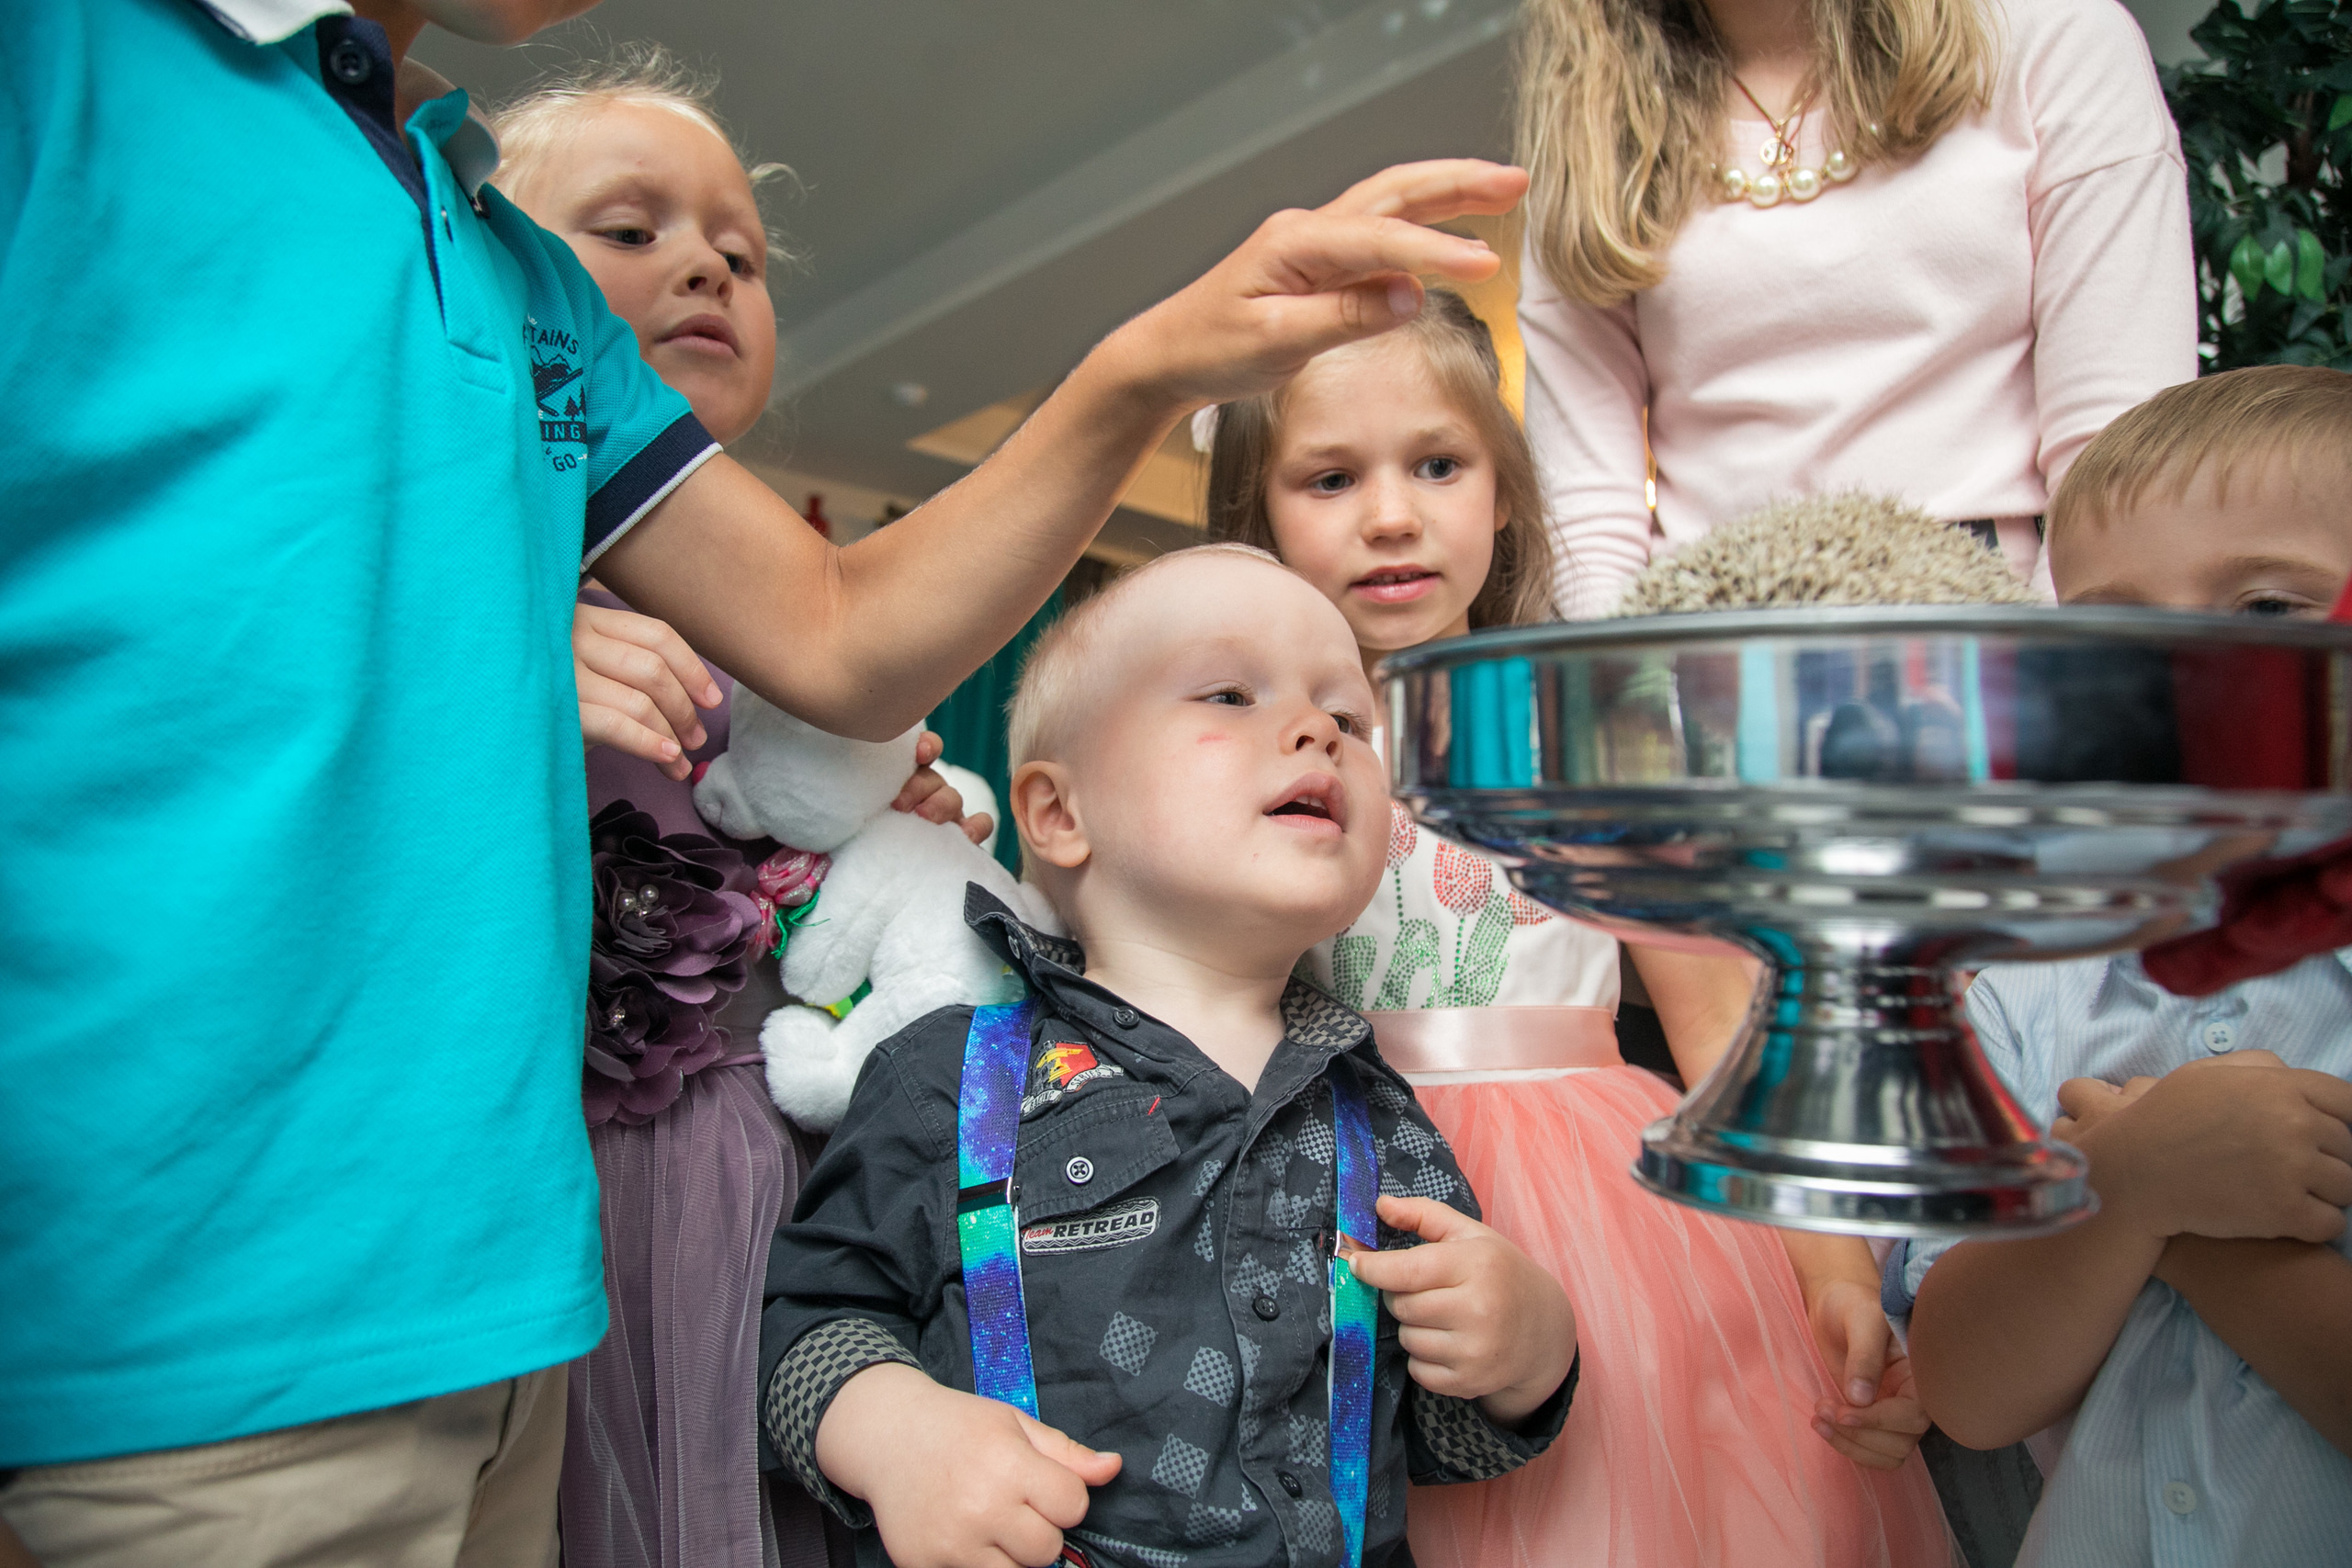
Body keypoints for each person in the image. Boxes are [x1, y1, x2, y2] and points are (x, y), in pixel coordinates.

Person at [0, 1, 1525, 1561]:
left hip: (506, 1291)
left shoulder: (492, 243)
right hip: (180, 1296)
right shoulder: (63, 59)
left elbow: (834, 632)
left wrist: (1149, 364)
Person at [1204, 289, 1948, 1566]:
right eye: (1331, 477)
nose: (1392, 513)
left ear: (1504, 493)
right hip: (1344, 1197)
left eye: (1437, 464)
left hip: (1621, 1216)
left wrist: (1832, 1266)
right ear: (1253, 517)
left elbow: (1723, 1028)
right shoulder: (1238, 758)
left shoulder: (1596, 736)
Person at [756, 547, 1579, 1568]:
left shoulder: (1382, 1114)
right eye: (1230, 693)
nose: (1318, 729)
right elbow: (806, 1325)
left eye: (1351, 721)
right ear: (1060, 814)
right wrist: (892, 1436)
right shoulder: (947, 1078)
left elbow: (1428, 1442)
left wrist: (1525, 1356)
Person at [482, 51, 989, 1568]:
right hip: (571, 1193)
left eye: (740, 254)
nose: (704, 260)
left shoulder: (785, 627)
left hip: (802, 1173)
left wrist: (902, 839)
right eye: (630, 230)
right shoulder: (491, 595)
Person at [1896, 365, 2352, 1566]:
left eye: (2265, 610)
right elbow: (1966, 1389)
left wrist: (2201, 1233)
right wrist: (2135, 1183)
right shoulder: (2027, 987)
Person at [1513, 0, 2197, 617]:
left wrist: (2038, 689)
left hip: (1987, 623)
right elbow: (1588, 516)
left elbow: (2116, 459)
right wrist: (1631, 700)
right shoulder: (1591, 130)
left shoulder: (2057, 39)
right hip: (1703, 641)